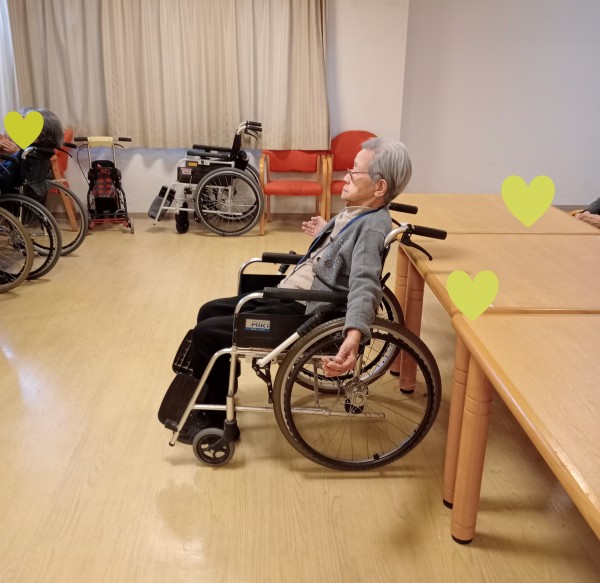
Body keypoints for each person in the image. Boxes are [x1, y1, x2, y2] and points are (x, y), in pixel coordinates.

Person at [170, 137, 413, 443]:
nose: (346, 176)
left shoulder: (372, 227)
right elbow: (344, 246)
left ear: (379, 187)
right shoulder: (358, 212)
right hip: (292, 293)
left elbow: (365, 282)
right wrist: (327, 230)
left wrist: (353, 336)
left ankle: (216, 421)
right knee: (209, 311)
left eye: (354, 172)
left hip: (303, 310)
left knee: (207, 333)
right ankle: (220, 383)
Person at [0, 107, 64, 197]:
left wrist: (17, 153)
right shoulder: (45, 149)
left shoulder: (29, 151)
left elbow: (7, 178)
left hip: (9, 188)